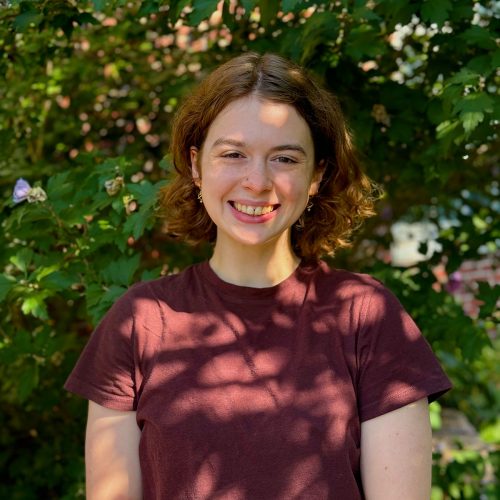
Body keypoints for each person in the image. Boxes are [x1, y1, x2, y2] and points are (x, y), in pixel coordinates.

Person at [65, 53, 452, 500]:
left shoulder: (366, 316)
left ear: (316, 175)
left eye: (285, 159)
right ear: (196, 165)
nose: (257, 181)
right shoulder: (141, 321)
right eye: (233, 153)